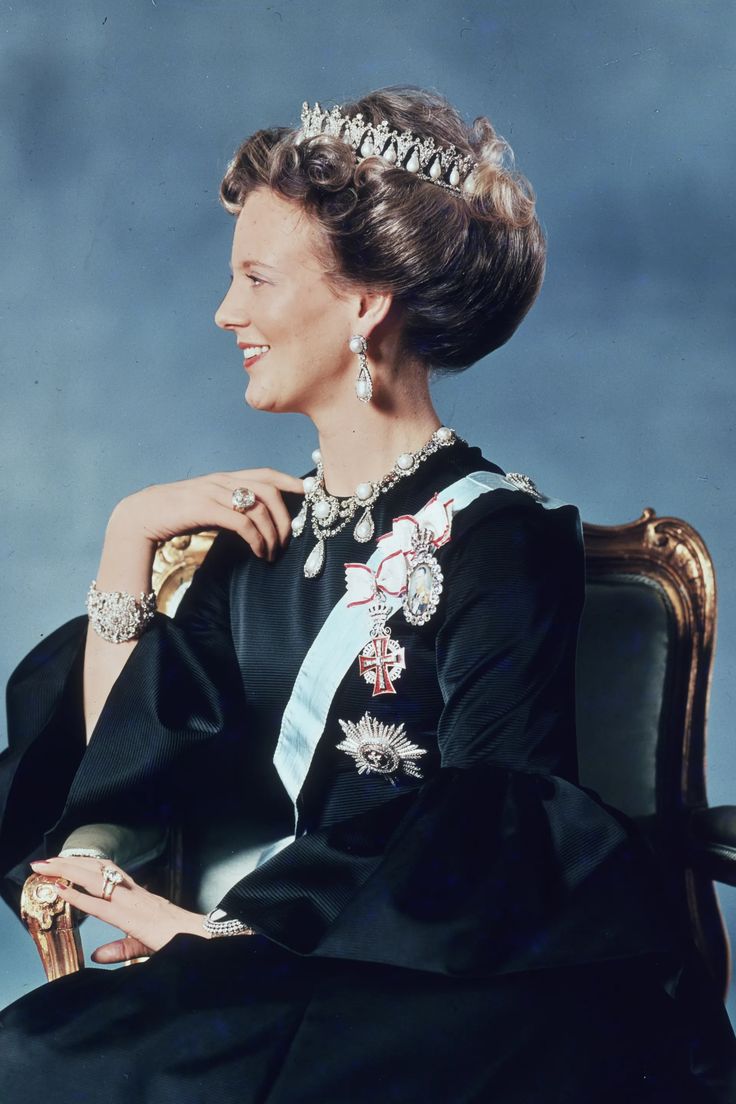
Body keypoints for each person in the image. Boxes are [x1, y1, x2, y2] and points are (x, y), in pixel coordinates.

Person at [0, 86, 734, 1103]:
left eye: (256, 279)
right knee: (31, 1057)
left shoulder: (501, 542)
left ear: (362, 304)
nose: (226, 313)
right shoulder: (255, 540)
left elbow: (493, 838)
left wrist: (215, 936)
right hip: (253, 976)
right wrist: (129, 535)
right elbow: (126, 766)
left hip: (415, 991)